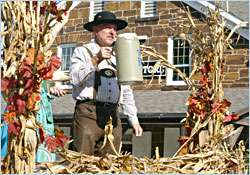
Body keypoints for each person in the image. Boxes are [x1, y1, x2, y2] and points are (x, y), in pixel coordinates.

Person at [69, 11, 143, 157]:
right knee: (81, 163)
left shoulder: (120, 55)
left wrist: (134, 120)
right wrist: (96, 59)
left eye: (114, 28)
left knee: (111, 165)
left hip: (113, 117)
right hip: (88, 114)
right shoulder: (82, 52)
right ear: (95, 30)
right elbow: (74, 79)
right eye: (108, 28)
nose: (112, 32)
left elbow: (126, 91)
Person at [1, 11, 69, 162]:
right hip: (24, 109)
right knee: (20, 151)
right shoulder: (20, 53)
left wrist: (48, 89)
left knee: (40, 152)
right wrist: (59, 24)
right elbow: (42, 46)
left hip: (39, 108)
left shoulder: (37, 57)